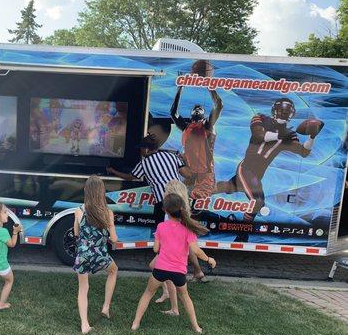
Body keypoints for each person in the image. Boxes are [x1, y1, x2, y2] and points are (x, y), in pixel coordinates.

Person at [216, 98, 321, 242]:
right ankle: (242, 234)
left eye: (286, 112)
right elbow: (259, 135)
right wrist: (281, 136)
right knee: (258, 201)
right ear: (274, 110)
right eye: (281, 111)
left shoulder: (289, 135)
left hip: (257, 174)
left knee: (229, 187)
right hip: (246, 168)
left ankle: (198, 193)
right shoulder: (260, 118)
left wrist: (312, 136)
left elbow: (304, 152)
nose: (283, 114)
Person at [131, 193, 216, 333]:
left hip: (161, 269)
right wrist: (209, 259)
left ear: (165, 210)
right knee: (185, 297)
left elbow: (156, 249)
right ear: (182, 209)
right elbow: (196, 251)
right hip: (179, 272)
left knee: (147, 293)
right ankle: (196, 327)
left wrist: (160, 244)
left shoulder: (161, 226)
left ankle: (135, 323)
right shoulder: (188, 229)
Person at [107, 134, 192, 225]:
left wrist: (112, 171)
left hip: (163, 200)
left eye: (141, 148)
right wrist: (185, 161)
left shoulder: (144, 163)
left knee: (163, 227)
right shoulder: (171, 156)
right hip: (180, 197)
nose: (140, 151)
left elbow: (129, 177)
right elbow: (187, 174)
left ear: (146, 149)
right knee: (182, 225)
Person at [73, 175, 119, 334]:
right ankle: (105, 307)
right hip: (100, 254)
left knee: (83, 288)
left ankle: (84, 324)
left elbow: (76, 233)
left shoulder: (78, 211)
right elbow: (113, 239)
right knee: (113, 271)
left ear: (86, 191)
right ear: (101, 192)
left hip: (83, 254)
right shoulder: (108, 212)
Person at [170, 85, 223, 199]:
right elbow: (173, 113)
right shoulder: (186, 127)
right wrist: (180, 89)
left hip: (205, 173)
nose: (197, 108)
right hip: (190, 173)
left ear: (204, 113)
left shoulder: (208, 126)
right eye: (195, 107)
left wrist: (210, 87)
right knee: (177, 196)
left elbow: (219, 105)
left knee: (197, 198)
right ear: (191, 113)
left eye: (200, 108)